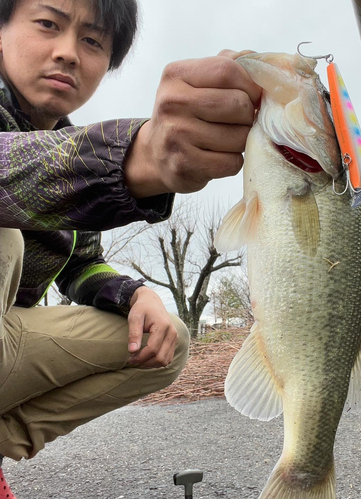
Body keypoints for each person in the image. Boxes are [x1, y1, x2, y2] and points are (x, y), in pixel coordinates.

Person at [0, 0, 261, 497]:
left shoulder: (70, 142)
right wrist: (137, 155)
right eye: (48, 25)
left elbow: (80, 265)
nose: (68, 53)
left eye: (92, 41)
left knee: (167, 342)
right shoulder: (78, 155)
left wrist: (133, 294)